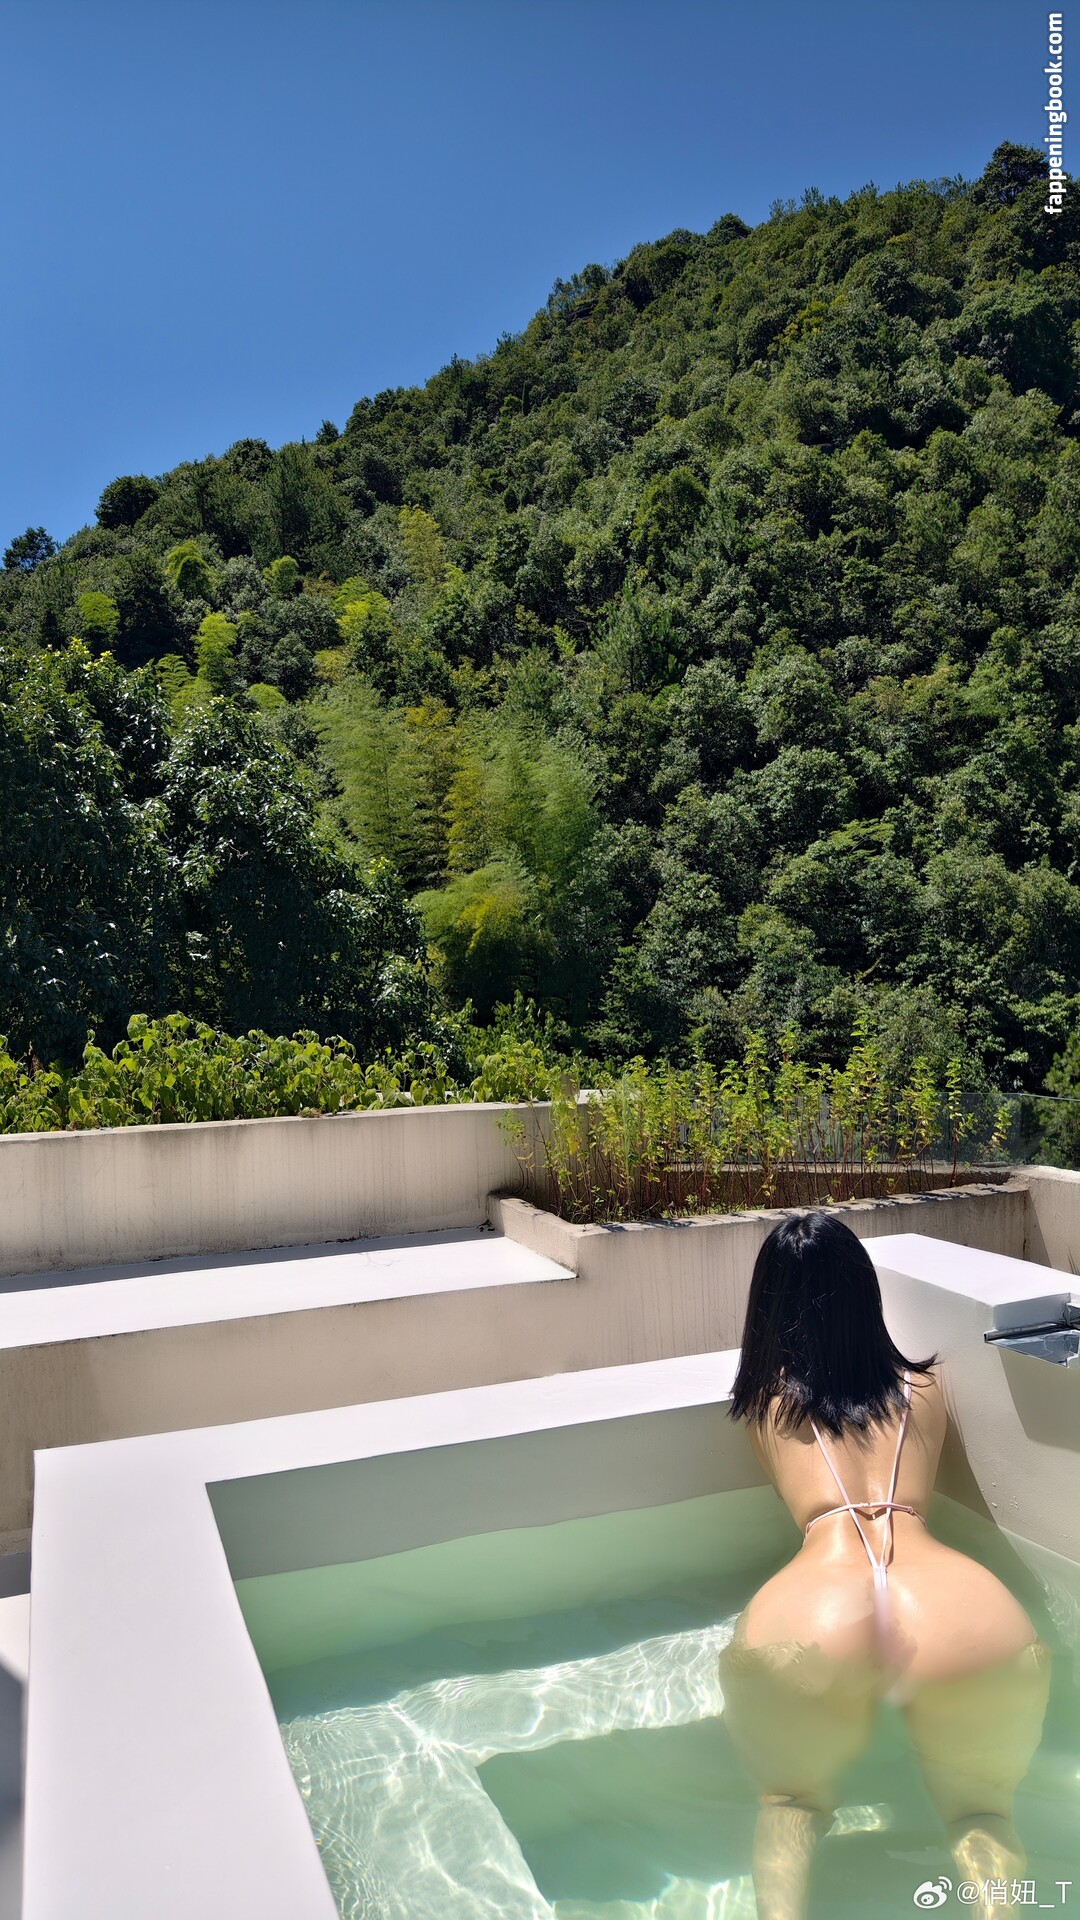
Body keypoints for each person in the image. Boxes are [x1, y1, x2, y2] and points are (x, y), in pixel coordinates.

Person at [719, 1210, 1051, 1920]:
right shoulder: (924, 1391)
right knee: (982, 1815)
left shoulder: (767, 1402)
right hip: (954, 1604)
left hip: (820, 1603)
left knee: (792, 1803)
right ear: (864, 1295)